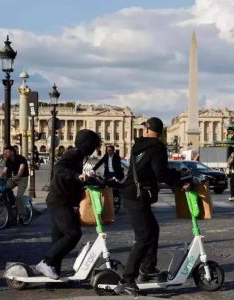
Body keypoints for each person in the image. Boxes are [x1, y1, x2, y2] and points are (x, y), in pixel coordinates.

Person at [114, 117, 182, 296]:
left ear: (147, 129)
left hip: (133, 195)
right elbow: (159, 172)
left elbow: (150, 170)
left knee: (153, 229)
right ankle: (127, 279)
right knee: (144, 237)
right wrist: (178, 179)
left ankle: (147, 269)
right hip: (136, 196)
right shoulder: (157, 147)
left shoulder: (139, 147)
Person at [35, 129, 102, 280]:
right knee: (73, 233)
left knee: (58, 239)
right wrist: (77, 175)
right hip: (59, 200)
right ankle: (47, 262)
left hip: (60, 199)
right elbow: (59, 168)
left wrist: (92, 180)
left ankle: (53, 274)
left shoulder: (79, 157)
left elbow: (76, 179)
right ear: (88, 145)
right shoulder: (74, 154)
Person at [0, 146, 29, 222]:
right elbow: (4, 171)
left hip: (22, 179)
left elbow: (21, 169)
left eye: (7, 152)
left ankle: (23, 216)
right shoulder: (8, 161)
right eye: (5, 152)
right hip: (13, 179)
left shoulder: (20, 158)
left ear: (12, 152)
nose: (5, 153)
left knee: (19, 196)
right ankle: (1, 210)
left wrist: (17, 176)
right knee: (5, 190)